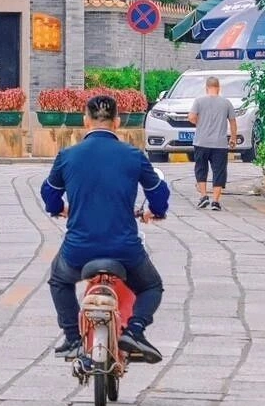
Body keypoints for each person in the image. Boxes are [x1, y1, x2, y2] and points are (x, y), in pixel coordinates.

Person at [40, 90, 170, 364]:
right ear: (118, 121)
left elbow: (49, 193)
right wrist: (154, 212)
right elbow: (158, 192)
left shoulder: (68, 156)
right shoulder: (133, 156)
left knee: (59, 280)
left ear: (85, 120)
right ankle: (134, 331)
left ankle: (73, 338)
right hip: (125, 249)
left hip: (78, 251)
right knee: (152, 286)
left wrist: (59, 209)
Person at [190, 75, 240, 212]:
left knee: (201, 169)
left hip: (201, 142)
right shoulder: (226, 103)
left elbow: (192, 117)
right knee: (219, 171)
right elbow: (233, 122)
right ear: (218, 88)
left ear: (206, 88)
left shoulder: (199, 101)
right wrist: (233, 138)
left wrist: (199, 122)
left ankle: (204, 196)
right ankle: (216, 201)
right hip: (219, 144)